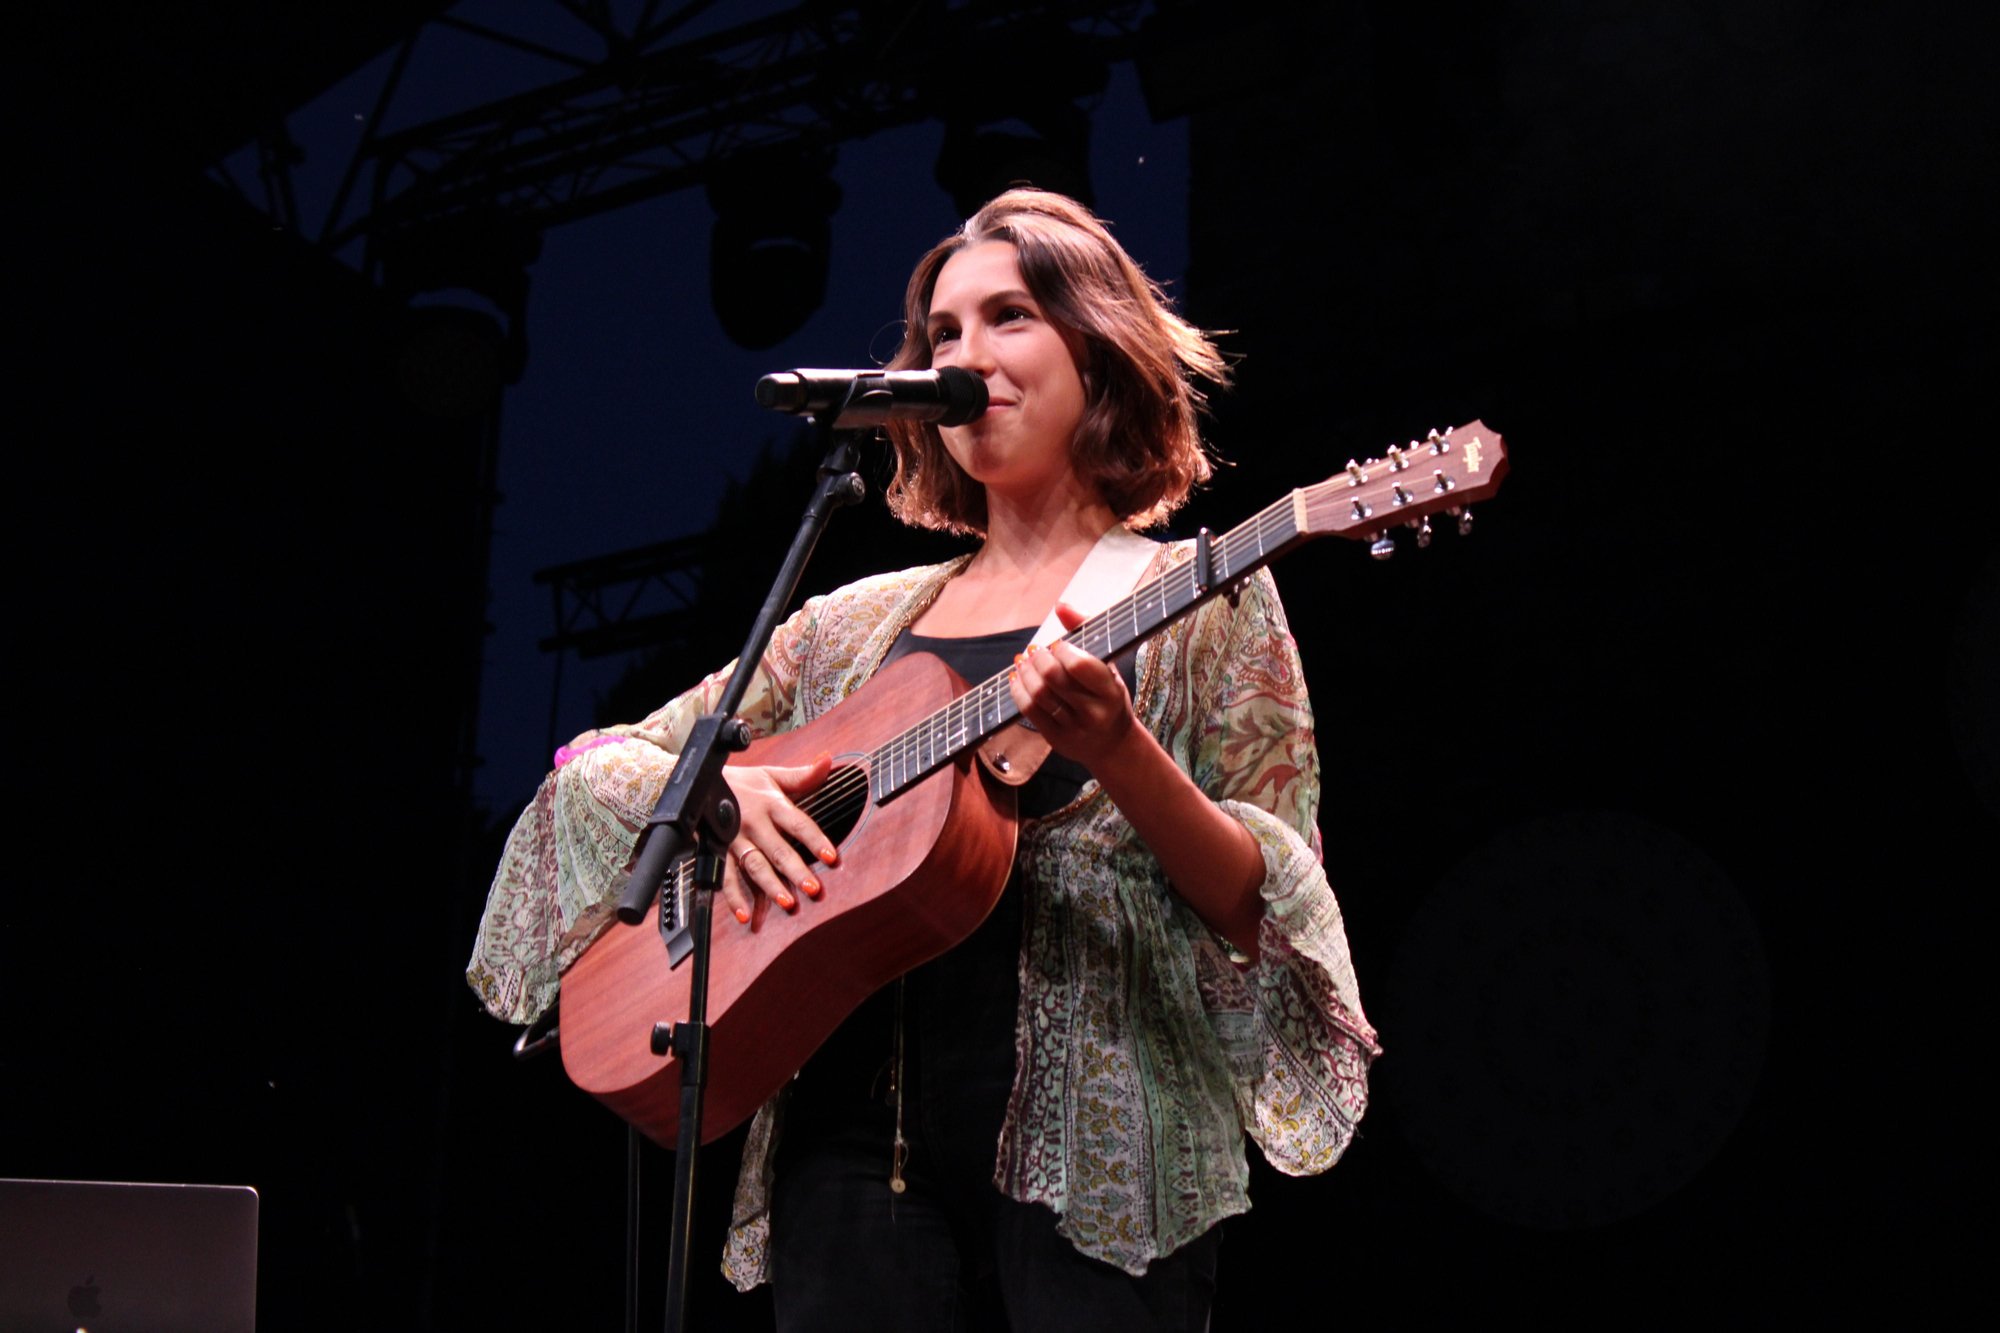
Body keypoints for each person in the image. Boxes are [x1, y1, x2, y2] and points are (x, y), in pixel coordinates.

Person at [468, 189, 1377, 1332]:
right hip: (846, 1159)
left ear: (1095, 349)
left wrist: (1124, 754)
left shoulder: (1206, 598)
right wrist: (720, 789)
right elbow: (593, 764)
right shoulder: (843, 630)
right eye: (940, 334)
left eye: (1007, 317)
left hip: (1101, 1160)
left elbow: (1268, 902)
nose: (962, 355)